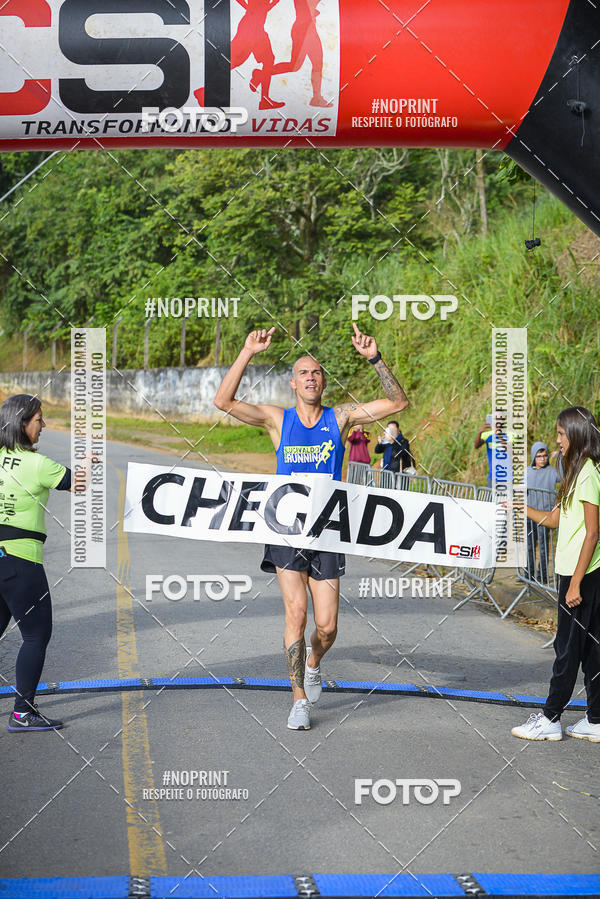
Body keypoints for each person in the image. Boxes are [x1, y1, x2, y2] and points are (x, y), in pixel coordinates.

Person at [214, 323, 409, 730]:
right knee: (296, 613)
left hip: (327, 531)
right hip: (286, 531)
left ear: (323, 382)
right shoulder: (276, 419)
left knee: (327, 625)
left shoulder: (340, 418)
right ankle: (298, 699)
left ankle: (314, 661)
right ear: (292, 383)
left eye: (317, 372)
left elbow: (398, 403)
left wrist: (375, 357)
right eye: (303, 372)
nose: (310, 377)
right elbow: (223, 400)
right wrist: (248, 351)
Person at [511, 406, 600, 742]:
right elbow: (557, 519)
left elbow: (593, 532)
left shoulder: (589, 473)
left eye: (561, 434)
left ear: (576, 434)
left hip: (583, 575)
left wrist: (576, 582)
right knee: (591, 650)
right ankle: (596, 718)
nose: (557, 440)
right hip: (577, 572)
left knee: (567, 648)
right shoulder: (576, 471)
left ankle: (550, 718)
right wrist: (521, 508)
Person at [0, 395, 73, 732]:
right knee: (35, 634)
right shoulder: (39, 464)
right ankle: (22, 712)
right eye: (39, 419)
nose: (43, 425)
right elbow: (80, 483)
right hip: (20, 561)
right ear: (22, 422)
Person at [526, 441, 561, 583]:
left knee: (543, 547)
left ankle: (543, 575)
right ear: (534, 456)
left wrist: (560, 458)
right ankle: (528, 574)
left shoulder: (552, 471)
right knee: (529, 546)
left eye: (545, 455)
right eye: (539, 456)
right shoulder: (526, 472)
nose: (542, 458)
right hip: (529, 515)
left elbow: (565, 475)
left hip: (545, 515)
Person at [475, 413, 509, 488]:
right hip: (492, 476)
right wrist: (480, 432)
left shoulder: (510, 435)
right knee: (489, 499)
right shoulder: (488, 435)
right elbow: (476, 446)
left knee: (505, 499)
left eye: (499, 418)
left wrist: (499, 434)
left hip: (507, 477)